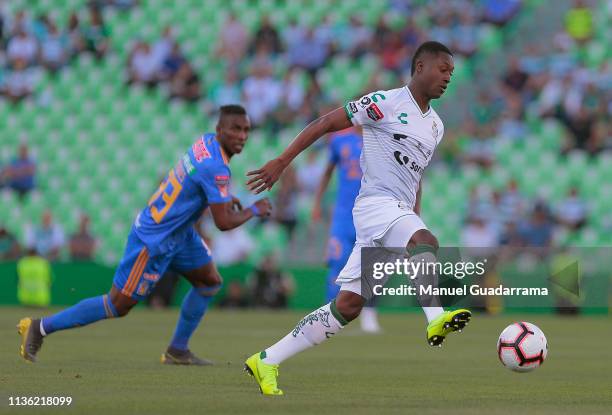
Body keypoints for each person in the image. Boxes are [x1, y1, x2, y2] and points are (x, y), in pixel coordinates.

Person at [244, 41, 471, 395]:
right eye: (443, 70)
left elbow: (416, 174)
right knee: (427, 241)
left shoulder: (436, 127)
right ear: (420, 66)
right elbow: (324, 123)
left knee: (348, 306)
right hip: (374, 204)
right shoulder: (384, 103)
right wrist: (282, 160)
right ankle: (435, 318)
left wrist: (415, 216)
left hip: (396, 213)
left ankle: (267, 359)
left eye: (452, 74)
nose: (447, 78)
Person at [17, 105, 272, 365]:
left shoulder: (206, 142)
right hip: (155, 240)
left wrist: (222, 197)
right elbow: (224, 222)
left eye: (246, 130)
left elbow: (196, 183)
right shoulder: (217, 168)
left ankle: (177, 350)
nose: (242, 136)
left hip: (181, 234)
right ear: (220, 130)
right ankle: (40, 327)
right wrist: (254, 209)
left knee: (209, 282)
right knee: (117, 305)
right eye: (235, 129)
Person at [311, 126, 381, 333]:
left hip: (372, 213)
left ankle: (369, 314)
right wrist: (317, 204)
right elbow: (327, 172)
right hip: (343, 213)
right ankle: (327, 313)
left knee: (372, 265)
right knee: (337, 261)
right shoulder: (339, 140)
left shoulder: (382, 139)